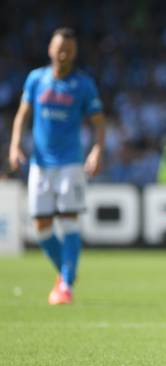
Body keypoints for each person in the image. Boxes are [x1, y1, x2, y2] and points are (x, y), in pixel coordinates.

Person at [8, 27, 105, 305]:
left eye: (69, 50)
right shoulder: (36, 79)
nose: (63, 54)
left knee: (69, 220)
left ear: (74, 53)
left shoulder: (83, 84)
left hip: (70, 164)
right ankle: (66, 272)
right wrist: (15, 146)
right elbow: (22, 115)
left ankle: (65, 285)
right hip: (39, 163)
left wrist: (96, 151)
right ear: (50, 49)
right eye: (59, 48)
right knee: (41, 227)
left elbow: (99, 123)